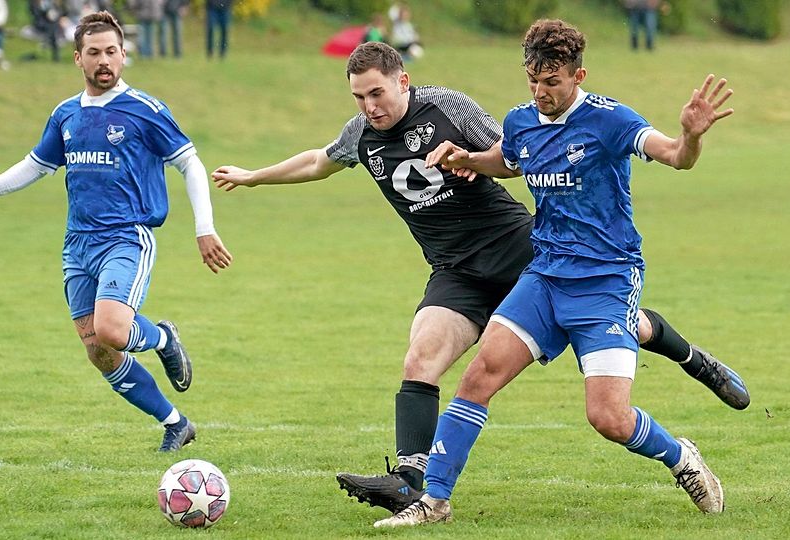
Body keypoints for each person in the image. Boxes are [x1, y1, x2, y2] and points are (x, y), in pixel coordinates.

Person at [212, 41, 747, 515]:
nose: (369, 107)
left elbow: (515, 152)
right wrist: (254, 177)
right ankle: (417, 486)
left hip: (519, 248)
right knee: (426, 360)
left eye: (376, 94)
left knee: (614, 362)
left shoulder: (449, 106)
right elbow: (320, 162)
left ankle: (688, 357)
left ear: (403, 81)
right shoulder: (364, 135)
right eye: (358, 98)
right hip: (462, 271)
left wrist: (470, 158)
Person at [374, 19, 736, 527]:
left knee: (607, 418)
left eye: (552, 82)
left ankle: (680, 457)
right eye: (533, 81)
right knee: (478, 378)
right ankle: (434, 501)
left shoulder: (611, 120)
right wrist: (468, 159)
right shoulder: (521, 120)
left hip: (606, 280)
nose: (541, 93)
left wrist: (690, 137)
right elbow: (507, 160)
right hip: (543, 276)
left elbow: (676, 157)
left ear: (577, 75)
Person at [0, 11, 232, 452]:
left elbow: (189, 163)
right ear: (77, 59)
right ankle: (176, 423)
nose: (105, 61)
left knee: (113, 329)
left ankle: (161, 337)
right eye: (95, 53)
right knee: (98, 351)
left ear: (124, 56)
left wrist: (204, 228)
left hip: (126, 236)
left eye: (112, 52)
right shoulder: (66, 114)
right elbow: (37, 164)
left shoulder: (144, 109)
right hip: (77, 244)